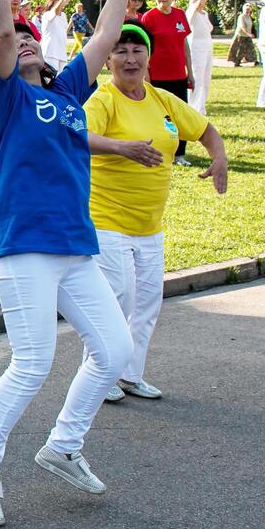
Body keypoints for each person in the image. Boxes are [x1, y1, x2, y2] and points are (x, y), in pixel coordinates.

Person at [0, 0, 136, 529]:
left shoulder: (66, 93)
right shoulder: (8, 98)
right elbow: (0, 36)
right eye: (19, 36)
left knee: (113, 349)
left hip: (72, 245)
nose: (27, 37)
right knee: (31, 361)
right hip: (22, 243)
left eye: (35, 34)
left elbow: (108, 34)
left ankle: (62, 445)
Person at [85, 21, 229, 406]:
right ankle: (101, 375)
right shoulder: (103, 100)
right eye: (121, 51)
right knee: (118, 299)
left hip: (149, 225)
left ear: (149, 58)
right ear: (108, 60)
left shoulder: (161, 99)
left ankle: (131, 374)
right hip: (106, 220)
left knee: (148, 303)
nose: (130, 59)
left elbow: (205, 129)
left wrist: (219, 159)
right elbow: (78, 137)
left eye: (138, 51)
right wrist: (123, 148)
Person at [140, 0, 194, 162]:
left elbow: (184, 45)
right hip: (157, 75)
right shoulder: (149, 17)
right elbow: (144, 47)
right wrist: (145, 74)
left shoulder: (180, 15)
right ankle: (158, 150)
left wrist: (190, 72)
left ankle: (180, 154)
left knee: (180, 115)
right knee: (159, 115)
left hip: (178, 74)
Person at [186, 0, 225, 114]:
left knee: (205, 78)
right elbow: (198, 4)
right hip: (195, 47)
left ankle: (201, 107)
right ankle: (192, 107)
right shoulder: (191, 11)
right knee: (196, 77)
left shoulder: (205, 14)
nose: (200, 2)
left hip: (207, 47)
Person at [39, 0, 80, 71]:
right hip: (50, 53)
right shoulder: (47, 15)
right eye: (58, 1)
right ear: (51, 4)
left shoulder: (63, 15)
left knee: (61, 80)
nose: (61, 2)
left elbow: (62, 4)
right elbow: (56, 9)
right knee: (50, 80)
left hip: (62, 53)